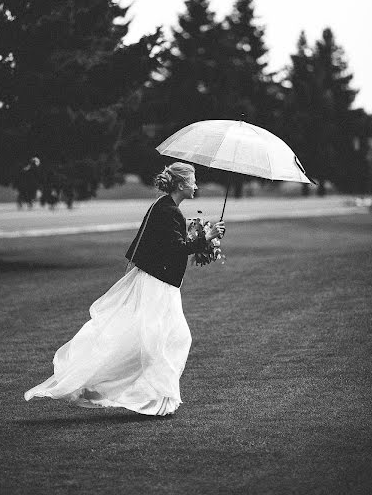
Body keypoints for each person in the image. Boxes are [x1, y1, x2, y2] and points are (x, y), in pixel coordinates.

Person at [24, 162, 225, 416]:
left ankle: (158, 398)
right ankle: (149, 398)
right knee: (161, 341)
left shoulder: (163, 207)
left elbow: (167, 245)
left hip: (161, 285)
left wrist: (201, 241)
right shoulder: (169, 211)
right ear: (182, 184)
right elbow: (176, 248)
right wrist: (205, 238)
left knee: (166, 339)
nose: (196, 185)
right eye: (193, 180)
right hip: (158, 287)